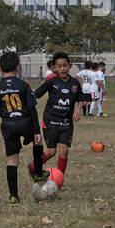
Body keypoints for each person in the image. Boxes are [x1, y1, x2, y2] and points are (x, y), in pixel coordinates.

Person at [0, 51, 43, 205]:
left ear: (0, 68)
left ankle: (13, 195)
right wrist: (37, 131)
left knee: (12, 159)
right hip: (25, 121)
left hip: (8, 125)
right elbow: (32, 109)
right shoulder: (24, 85)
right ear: (18, 67)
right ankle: (37, 172)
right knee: (38, 142)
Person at [29, 52, 82, 185]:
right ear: (54, 68)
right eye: (59, 66)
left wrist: (77, 109)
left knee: (64, 150)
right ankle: (33, 167)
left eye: (65, 65)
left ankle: (59, 180)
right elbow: (37, 94)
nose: (63, 69)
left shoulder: (75, 83)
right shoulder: (51, 81)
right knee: (52, 152)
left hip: (66, 123)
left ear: (70, 66)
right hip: (50, 121)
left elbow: (81, 99)